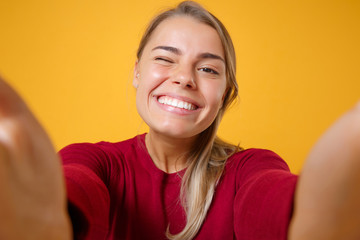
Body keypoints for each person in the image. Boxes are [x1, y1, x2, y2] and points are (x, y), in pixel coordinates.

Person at [0, 1, 360, 240]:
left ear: (226, 95)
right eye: (165, 59)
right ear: (137, 72)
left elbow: (272, 201)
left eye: (207, 69)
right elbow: (73, 187)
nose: (184, 78)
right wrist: (49, 215)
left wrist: (317, 209)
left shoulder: (249, 169)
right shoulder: (98, 163)